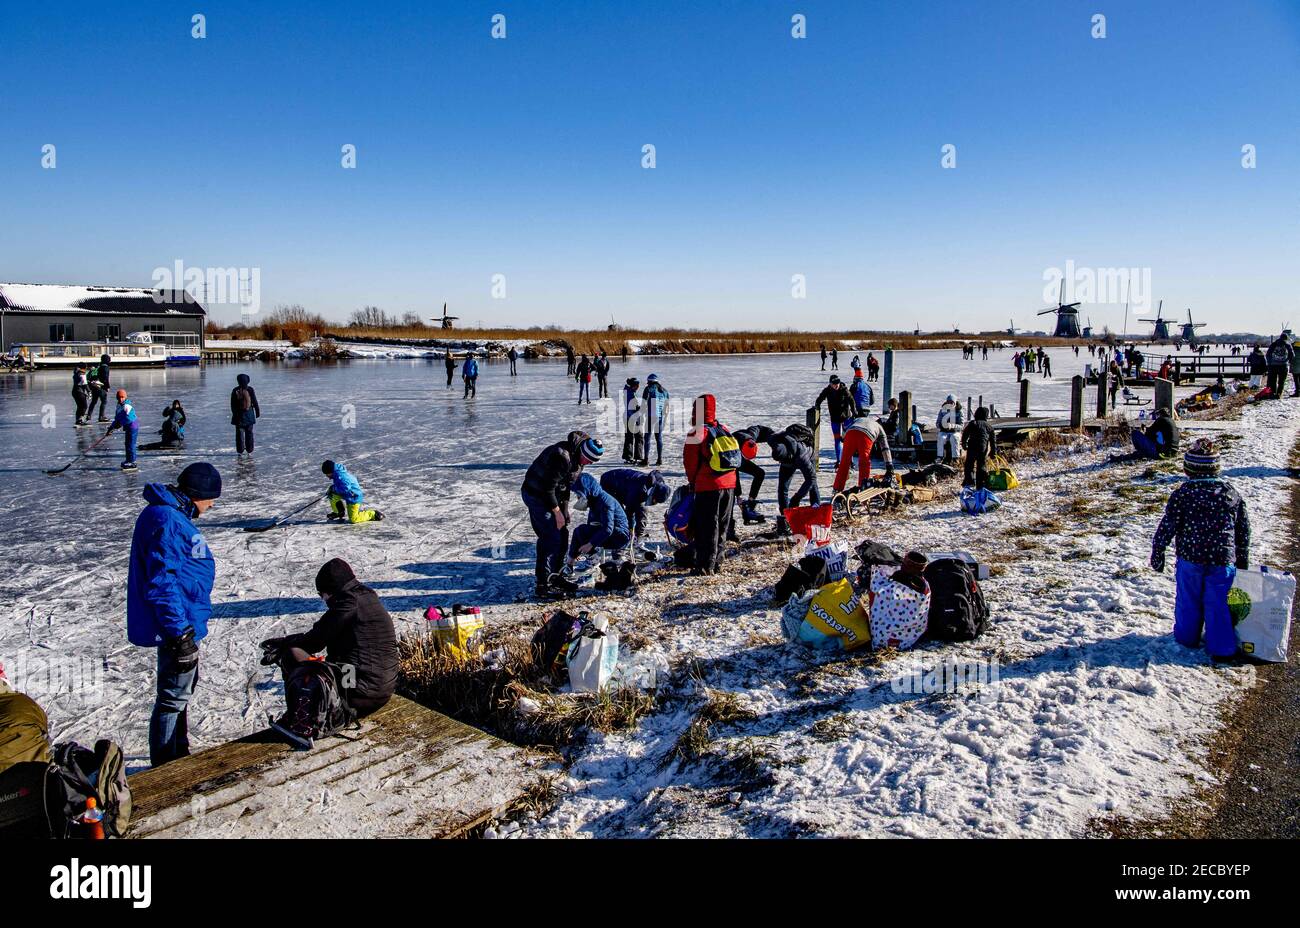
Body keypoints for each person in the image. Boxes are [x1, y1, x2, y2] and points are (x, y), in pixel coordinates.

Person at [127, 462, 221, 766]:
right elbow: (161, 582)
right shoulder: (167, 519)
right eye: (211, 498)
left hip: (182, 620)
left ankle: (178, 753)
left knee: (179, 693)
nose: (212, 504)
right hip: (176, 625)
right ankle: (166, 765)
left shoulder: (168, 514)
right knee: (171, 698)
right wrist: (180, 633)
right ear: (197, 494)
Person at [259, 558, 398, 747]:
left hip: (360, 690)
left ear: (329, 591)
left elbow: (314, 641)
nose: (322, 599)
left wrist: (283, 645)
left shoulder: (347, 603)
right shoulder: (366, 597)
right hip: (379, 690)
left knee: (293, 655)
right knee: (314, 662)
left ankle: (306, 722)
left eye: (320, 594)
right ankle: (325, 712)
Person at [1151, 439, 1250, 661]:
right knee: (1219, 604)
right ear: (1217, 468)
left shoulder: (1183, 494)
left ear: (1187, 470)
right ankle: (1222, 647)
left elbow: (1168, 525)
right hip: (1222, 559)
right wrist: (1242, 557)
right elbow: (1243, 528)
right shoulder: (1230, 494)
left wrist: (1158, 550)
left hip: (1191, 557)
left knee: (1189, 599)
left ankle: (1187, 638)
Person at [522, 432, 602, 598]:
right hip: (535, 493)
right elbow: (548, 488)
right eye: (589, 459)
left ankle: (556, 576)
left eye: (592, 461)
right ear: (583, 453)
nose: (589, 463)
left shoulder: (579, 460)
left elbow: (565, 486)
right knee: (549, 536)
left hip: (551, 495)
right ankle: (542, 583)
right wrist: (557, 512)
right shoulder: (562, 456)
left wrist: (564, 510)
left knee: (563, 533)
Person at [683, 394, 737, 575]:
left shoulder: (696, 432)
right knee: (722, 523)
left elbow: (690, 463)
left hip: (708, 486)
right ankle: (718, 561)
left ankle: (705, 566)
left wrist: (692, 482)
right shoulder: (723, 428)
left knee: (707, 526)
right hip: (730, 484)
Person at [565, 472, 632, 571]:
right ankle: (570, 563)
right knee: (580, 531)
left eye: (579, 494)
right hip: (608, 532)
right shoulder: (593, 500)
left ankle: (593, 562)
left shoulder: (605, 502)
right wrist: (577, 552)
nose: (578, 497)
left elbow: (607, 529)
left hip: (619, 536)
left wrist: (590, 544)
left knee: (582, 531)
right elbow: (590, 526)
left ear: (588, 491)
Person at [600, 467, 670, 554]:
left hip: (626, 486)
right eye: (654, 500)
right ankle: (619, 544)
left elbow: (641, 511)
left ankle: (638, 540)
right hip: (609, 483)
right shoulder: (638, 490)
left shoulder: (659, 485)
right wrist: (630, 530)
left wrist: (638, 534)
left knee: (643, 511)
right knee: (618, 513)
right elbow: (629, 513)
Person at [767, 428, 820, 536]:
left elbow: (811, 478)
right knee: (782, 488)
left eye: (781, 460)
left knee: (812, 484)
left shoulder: (802, 455)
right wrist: (785, 512)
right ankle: (786, 518)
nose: (780, 462)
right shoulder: (774, 443)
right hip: (790, 459)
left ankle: (817, 513)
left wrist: (797, 497)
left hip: (808, 456)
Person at [833, 415, 893, 494]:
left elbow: (846, 427)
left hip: (850, 433)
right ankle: (863, 487)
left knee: (844, 462)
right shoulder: (879, 427)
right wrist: (889, 466)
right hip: (865, 436)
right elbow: (885, 448)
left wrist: (844, 437)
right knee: (864, 462)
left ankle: (837, 489)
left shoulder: (859, 419)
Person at [731, 424, 774, 525]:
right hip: (730, 458)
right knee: (732, 489)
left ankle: (750, 503)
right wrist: (739, 496)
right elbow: (734, 472)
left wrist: (773, 436)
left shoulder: (751, 437)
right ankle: (733, 519)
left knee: (760, 473)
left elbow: (758, 428)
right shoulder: (732, 444)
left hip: (740, 455)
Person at [814, 375, 861, 464]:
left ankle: (850, 461)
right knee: (837, 439)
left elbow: (851, 400)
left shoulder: (844, 389)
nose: (837, 385)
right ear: (830, 384)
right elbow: (819, 399)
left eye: (838, 383)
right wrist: (817, 406)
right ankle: (839, 461)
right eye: (834, 384)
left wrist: (854, 411)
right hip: (835, 418)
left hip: (846, 418)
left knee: (848, 440)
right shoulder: (827, 390)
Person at [1112, 406, 1180, 462]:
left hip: (1162, 454)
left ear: (1160, 415)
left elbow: (1149, 433)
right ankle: (1140, 453)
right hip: (1173, 453)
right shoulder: (1171, 422)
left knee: (1135, 433)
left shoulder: (1161, 420)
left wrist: (1144, 430)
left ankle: (1140, 453)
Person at [960, 407, 997, 489]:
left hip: (972, 447)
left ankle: (969, 482)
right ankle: (980, 484)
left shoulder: (973, 423)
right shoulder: (989, 426)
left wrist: (964, 444)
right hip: (982, 448)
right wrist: (993, 452)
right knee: (981, 465)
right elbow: (993, 441)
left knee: (969, 465)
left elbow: (965, 434)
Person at [105, 388, 140, 470]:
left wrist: (116, 426)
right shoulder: (119, 406)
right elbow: (117, 418)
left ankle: (132, 462)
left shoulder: (126, 406)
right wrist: (111, 428)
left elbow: (124, 418)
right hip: (128, 427)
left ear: (125, 397)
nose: (121, 399)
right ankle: (128, 460)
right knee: (127, 444)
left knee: (131, 444)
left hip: (132, 426)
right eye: (119, 397)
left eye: (122, 397)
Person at [641, 373, 670, 466]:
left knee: (647, 438)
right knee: (659, 438)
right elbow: (667, 405)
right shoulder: (664, 391)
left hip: (651, 416)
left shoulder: (648, 389)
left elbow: (643, 404)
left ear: (649, 381)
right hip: (660, 417)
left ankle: (646, 460)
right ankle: (659, 459)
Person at [230, 373, 260, 456]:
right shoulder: (250, 389)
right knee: (249, 432)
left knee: (239, 434)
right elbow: (254, 401)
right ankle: (250, 450)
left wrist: (234, 413)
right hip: (249, 415)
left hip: (238, 416)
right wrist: (257, 411)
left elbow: (232, 404)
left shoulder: (235, 390)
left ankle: (240, 450)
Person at [935, 394, 964, 465]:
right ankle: (940, 457)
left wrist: (953, 426)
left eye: (952, 402)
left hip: (955, 431)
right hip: (944, 431)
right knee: (941, 437)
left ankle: (955, 458)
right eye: (948, 402)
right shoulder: (942, 411)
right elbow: (937, 423)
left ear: (955, 403)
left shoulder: (959, 411)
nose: (950, 404)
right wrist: (942, 425)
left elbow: (961, 426)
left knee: (954, 438)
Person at [1264, 332, 1294, 399]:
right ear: (1286, 338)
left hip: (1273, 365)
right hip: (1283, 366)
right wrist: (1287, 361)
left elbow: (1268, 354)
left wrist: (1270, 363)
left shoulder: (1273, 344)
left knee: (1273, 381)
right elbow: (1292, 355)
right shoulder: (1287, 345)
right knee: (1281, 381)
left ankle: (1273, 393)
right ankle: (1279, 394)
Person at [622, 377, 644, 463]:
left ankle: (628, 457)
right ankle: (637, 457)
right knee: (639, 437)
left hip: (628, 418)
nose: (638, 387)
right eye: (637, 385)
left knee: (629, 437)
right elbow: (632, 408)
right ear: (633, 386)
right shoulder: (630, 394)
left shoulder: (628, 392)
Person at [86, 354, 111, 423]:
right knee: (104, 401)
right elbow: (105, 378)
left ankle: (89, 415)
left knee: (94, 401)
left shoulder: (98, 367)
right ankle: (101, 416)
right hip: (101, 386)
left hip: (94, 386)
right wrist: (107, 386)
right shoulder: (105, 367)